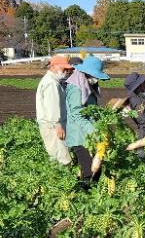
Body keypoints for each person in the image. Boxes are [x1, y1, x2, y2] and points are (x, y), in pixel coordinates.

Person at [64, 55, 110, 186]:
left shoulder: (87, 85)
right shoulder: (75, 88)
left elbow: (92, 109)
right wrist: (94, 130)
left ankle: (88, 193)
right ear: (85, 73)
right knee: (89, 172)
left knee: (96, 170)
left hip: (90, 136)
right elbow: (77, 114)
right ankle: (84, 197)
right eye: (94, 76)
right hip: (80, 136)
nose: (95, 80)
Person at [35, 55, 73, 165]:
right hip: (52, 126)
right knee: (62, 159)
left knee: (57, 156)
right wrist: (58, 125)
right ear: (54, 66)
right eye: (64, 68)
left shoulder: (53, 81)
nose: (66, 71)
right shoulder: (51, 83)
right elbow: (52, 106)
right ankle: (62, 180)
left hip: (52, 125)